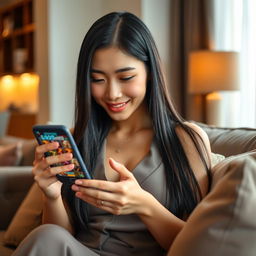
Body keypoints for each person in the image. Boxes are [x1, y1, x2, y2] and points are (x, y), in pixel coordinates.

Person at [13, 12, 212, 256]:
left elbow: (200, 246)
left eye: (126, 77)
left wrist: (143, 204)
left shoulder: (186, 139)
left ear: (150, 72)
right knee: (46, 235)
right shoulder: (80, 138)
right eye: (98, 79)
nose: (112, 93)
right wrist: (51, 196)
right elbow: (60, 239)